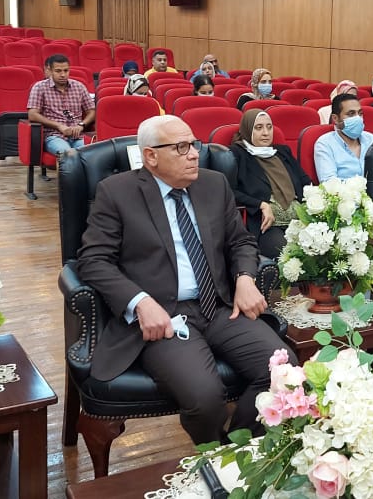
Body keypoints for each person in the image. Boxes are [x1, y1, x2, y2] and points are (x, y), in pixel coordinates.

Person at [75, 115, 292, 444]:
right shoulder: (117, 192)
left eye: (193, 144)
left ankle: (236, 454)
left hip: (219, 306)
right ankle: (217, 454)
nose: (193, 154)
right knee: (205, 399)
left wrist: (245, 278)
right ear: (151, 156)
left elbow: (240, 242)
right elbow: (93, 260)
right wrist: (140, 302)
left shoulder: (213, 184)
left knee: (284, 372)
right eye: (180, 147)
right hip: (164, 316)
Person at [229, 110, 312, 259]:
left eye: (269, 127)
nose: (266, 133)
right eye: (259, 128)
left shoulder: (283, 152)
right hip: (267, 226)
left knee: (322, 249)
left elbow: (306, 182)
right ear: (247, 130)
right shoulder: (237, 154)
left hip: (301, 221)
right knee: (289, 255)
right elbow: (229, 191)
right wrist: (261, 205)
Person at [27, 54, 95, 156]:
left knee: (91, 153)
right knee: (68, 154)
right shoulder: (40, 87)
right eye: (58, 71)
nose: (63, 75)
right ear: (50, 71)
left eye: (66, 71)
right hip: (54, 135)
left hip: (77, 135)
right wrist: (59, 126)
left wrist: (81, 125)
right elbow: (32, 115)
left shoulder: (79, 87)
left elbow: (92, 111)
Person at [315, 94, 373, 182]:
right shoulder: (325, 143)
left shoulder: (372, 140)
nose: (358, 118)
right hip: (343, 191)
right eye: (351, 114)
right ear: (335, 118)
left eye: (360, 113)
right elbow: (329, 183)